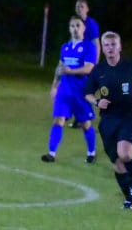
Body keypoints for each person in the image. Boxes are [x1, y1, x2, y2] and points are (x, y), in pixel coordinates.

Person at [84, 31, 132, 209]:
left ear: (120, 47)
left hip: (129, 116)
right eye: (106, 45)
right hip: (108, 120)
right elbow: (87, 93)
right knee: (117, 161)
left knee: (125, 154)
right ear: (103, 49)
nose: (110, 48)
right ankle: (130, 193)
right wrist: (97, 102)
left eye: (113, 44)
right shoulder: (99, 70)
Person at [40, 16, 97, 163]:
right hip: (64, 90)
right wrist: (54, 86)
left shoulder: (89, 47)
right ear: (69, 29)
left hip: (81, 91)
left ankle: (91, 152)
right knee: (59, 119)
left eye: (78, 25)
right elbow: (60, 68)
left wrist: (70, 71)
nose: (75, 29)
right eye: (72, 26)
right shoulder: (65, 47)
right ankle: (51, 153)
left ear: (84, 28)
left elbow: (88, 68)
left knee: (85, 124)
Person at [70, 0, 102, 128]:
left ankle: (84, 117)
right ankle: (81, 116)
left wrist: (95, 62)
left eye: (82, 6)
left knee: (84, 90)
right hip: (78, 60)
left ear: (87, 9)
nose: (79, 9)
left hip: (88, 61)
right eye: (77, 6)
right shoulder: (75, 22)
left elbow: (96, 44)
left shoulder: (91, 24)